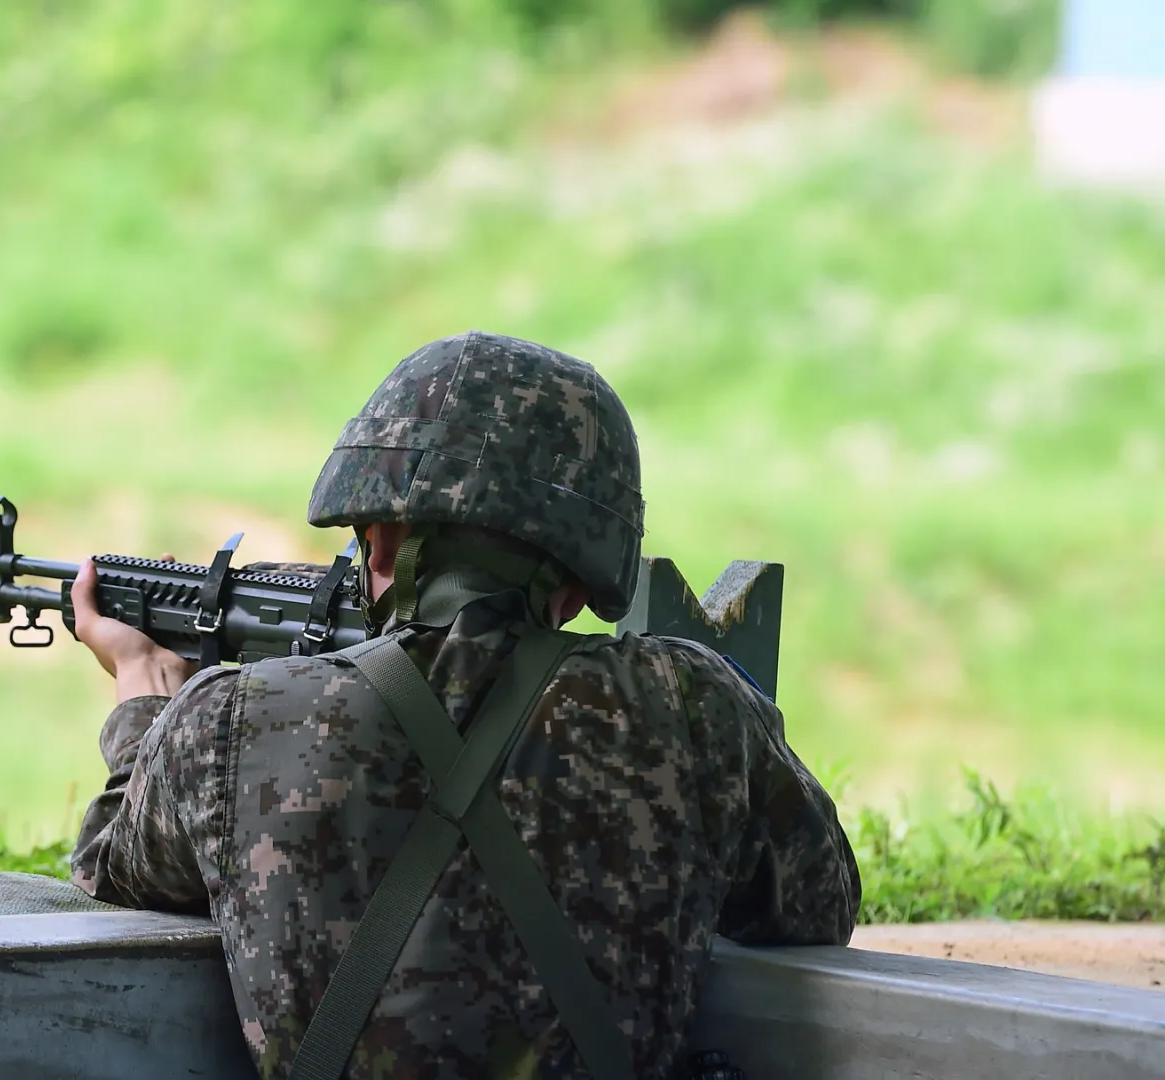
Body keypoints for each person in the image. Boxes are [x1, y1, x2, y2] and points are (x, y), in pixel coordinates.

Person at [67, 331, 860, 1080]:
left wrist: (145, 690)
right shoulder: (696, 707)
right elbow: (817, 904)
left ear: (378, 541)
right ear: (581, 581)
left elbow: (112, 872)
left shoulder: (226, 723)